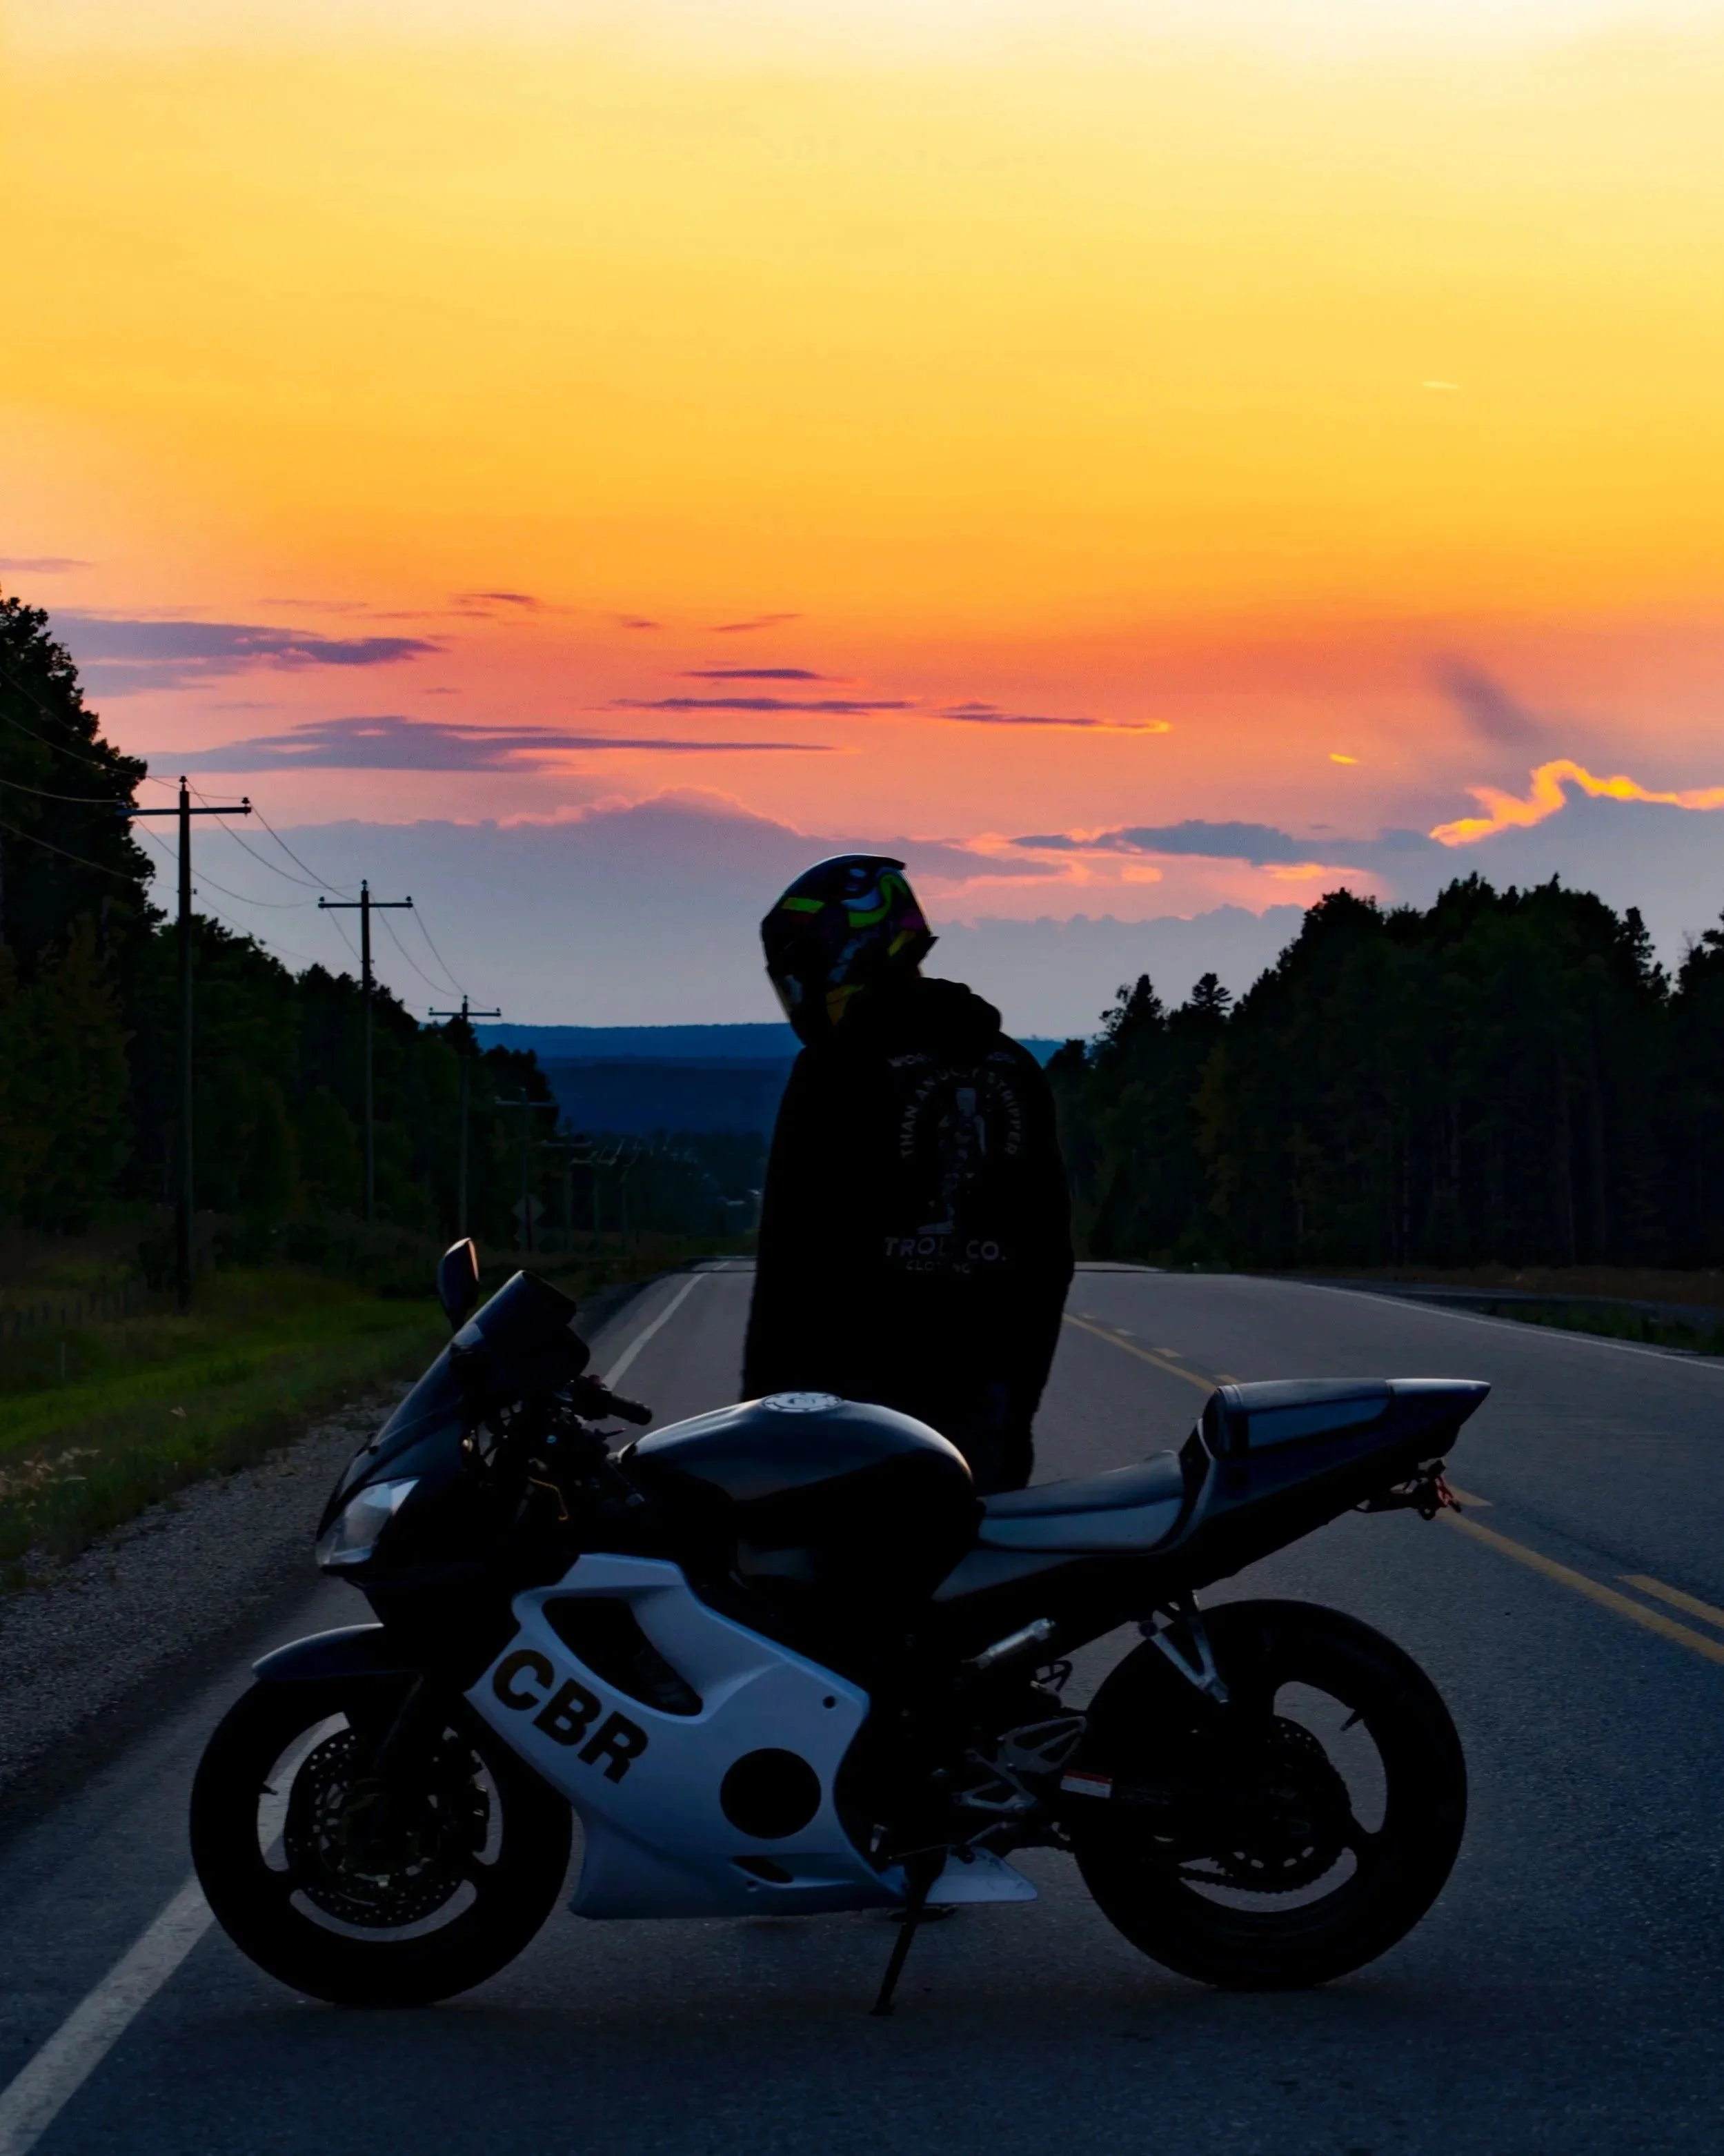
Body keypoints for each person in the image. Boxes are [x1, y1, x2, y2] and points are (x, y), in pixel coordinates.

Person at [742, 855, 1074, 1494]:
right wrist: (1017, 1413)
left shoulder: (833, 1071)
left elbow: (790, 1263)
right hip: (984, 1403)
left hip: (857, 1414)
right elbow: (1047, 1256)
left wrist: (764, 1420)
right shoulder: (1013, 1067)